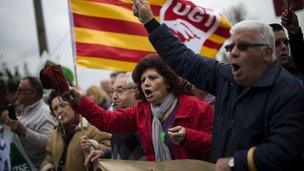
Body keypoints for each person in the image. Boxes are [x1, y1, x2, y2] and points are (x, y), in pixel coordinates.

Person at [132, 0, 304, 170]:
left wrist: (234, 163)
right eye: (231, 47)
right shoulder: (225, 77)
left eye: (243, 47)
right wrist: (150, 22)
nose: (234, 52)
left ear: (267, 53)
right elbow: (183, 58)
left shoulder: (288, 91)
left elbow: (283, 149)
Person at [68, 54, 214, 161]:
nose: (146, 83)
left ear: (168, 81)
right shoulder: (142, 111)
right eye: (143, 80)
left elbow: (217, 144)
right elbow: (106, 120)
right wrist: (80, 101)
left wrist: (188, 137)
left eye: (152, 78)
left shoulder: (198, 107)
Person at [41, 91, 111, 171]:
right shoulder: (53, 135)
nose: (59, 111)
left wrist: (92, 146)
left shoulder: (94, 127)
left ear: (73, 106)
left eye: (63, 105)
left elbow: (110, 151)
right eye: (55, 108)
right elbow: (49, 157)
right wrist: (47, 166)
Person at [7, 76, 57, 169]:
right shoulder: (26, 109)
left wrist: (24, 131)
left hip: (39, 167)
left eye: (21, 90)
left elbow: (51, 143)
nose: (17, 93)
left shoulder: (44, 113)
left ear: (33, 93)